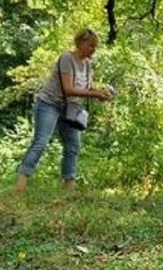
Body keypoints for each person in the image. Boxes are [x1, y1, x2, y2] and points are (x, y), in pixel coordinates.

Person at [13, 27, 112, 193]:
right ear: (80, 43)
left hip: (71, 108)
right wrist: (93, 94)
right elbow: (68, 88)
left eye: (95, 46)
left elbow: (85, 87)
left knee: (73, 146)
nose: (93, 50)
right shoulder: (67, 58)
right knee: (40, 143)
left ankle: (69, 189)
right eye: (90, 46)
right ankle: (19, 187)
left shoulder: (88, 64)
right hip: (49, 104)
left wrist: (100, 93)